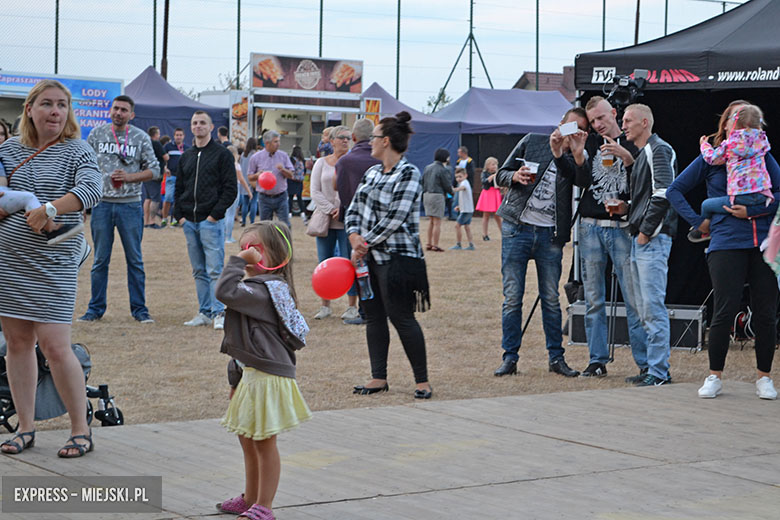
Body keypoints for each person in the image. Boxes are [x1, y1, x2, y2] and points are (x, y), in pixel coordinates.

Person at [0, 80, 102, 457]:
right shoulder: (9, 150)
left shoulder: (78, 150)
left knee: (56, 347)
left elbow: (92, 189)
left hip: (54, 263)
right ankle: (25, 428)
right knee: (17, 344)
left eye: (62, 105)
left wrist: (51, 209)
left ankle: (80, 429)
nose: (55, 112)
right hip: (9, 263)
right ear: (29, 109)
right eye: (46, 104)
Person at [668, 100, 780, 399]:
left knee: (766, 313)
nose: (740, 121)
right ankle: (714, 376)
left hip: (762, 243)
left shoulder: (761, 153)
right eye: (735, 116)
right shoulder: (713, 158)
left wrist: (754, 212)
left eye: (745, 117)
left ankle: (764, 378)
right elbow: (674, 190)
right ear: (727, 123)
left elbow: (779, 192)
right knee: (724, 310)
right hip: (726, 242)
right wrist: (700, 223)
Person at [214, 221, 311, 520]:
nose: (248, 254)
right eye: (244, 248)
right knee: (248, 439)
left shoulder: (267, 291)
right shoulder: (258, 290)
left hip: (268, 377)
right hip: (252, 376)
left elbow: (223, 291)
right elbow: (240, 342)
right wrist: (236, 379)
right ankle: (250, 498)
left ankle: (264, 507)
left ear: (276, 254)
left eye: (254, 249)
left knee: (264, 443)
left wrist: (237, 261)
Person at [492, 108, 585, 378]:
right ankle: (509, 358)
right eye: (570, 127)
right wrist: (513, 177)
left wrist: (576, 151)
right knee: (512, 298)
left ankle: (556, 358)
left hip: (550, 235)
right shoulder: (532, 141)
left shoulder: (576, 156)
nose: (573, 133)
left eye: (579, 129)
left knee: (551, 299)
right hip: (517, 228)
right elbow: (501, 173)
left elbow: (582, 181)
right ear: (560, 124)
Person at [346, 111, 432, 399]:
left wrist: (363, 241)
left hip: (399, 259)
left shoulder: (409, 173)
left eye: (373, 138)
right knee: (373, 317)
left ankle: (422, 381)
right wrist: (353, 235)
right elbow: (354, 209)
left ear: (385, 141)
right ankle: (378, 377)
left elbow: (396, 217)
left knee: (401, 317)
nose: (369, 142)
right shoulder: (371, 172)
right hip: (369, 259)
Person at [565, 96, 646, 380]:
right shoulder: (588, 141)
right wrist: (576, 153)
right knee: (594, 299)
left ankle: (645, 363)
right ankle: (596, 360)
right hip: (590, 226)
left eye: (602, 118)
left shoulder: (633, 139)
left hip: (621, 228)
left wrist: (628, 159)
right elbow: (583, 181)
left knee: (633, 297)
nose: (598, 125)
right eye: (593, 120)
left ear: (614, 113)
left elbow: (647, 183)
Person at [611, 103, 677, 387]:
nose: (623, 125)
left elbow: (664, 194)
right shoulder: (646, 153)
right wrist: (626, 210)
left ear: (645, 123)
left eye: (627, 120)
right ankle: (655, 368)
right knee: (643, 307)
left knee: (651, 307)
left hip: (652, 239)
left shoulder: (658, 150)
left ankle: (659, 372)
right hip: (645, 238)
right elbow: (651, 197)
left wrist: (646, 232)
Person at [79, 95, 160, 324]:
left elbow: (155, 171)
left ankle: (140, 310)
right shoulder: (97, 134)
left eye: (124, 110)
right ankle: (95, 309)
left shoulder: (140, 137)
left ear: (131, 115)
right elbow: (85, 166)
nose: (119, 113)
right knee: (100, 260)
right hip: (102, 204)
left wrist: (129, 177)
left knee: (134, 260)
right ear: (110, 110)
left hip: (130, 205)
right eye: (116, 108)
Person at [174, 111, 237, 330]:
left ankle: (219, 312)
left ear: (211, 127)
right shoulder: (187, 156)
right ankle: (204, 311)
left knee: (214, 269)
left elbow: (230, 189)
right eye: (194, 123)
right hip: (189, 221)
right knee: (198, 270)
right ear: (191, 127)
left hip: (210, 221)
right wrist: (179, 216)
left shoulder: (222, 155)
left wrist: (214, 215)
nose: (198, 126)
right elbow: (179, 186)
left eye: (202, 123)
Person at [689, 104, 772, 242]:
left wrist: (704, 145)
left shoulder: (730, 144)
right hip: (763, 195)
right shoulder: (762, 140)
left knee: (706, 205)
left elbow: (712, 158)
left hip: (741, 197)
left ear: (734, 124)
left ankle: (705, 230)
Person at [309, 126, 360, 321]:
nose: (346, 141)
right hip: (326, 221)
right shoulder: (322, 163)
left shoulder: (353, 163)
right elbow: (315, 191)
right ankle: (325, 305)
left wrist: (344, 209)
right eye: (342, 138)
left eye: (349, 138)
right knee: (324, 262)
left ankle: (352, 306)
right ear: (332, 141)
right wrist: (331, 209)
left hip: (347, 221)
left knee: (350, 263)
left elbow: (357, 189)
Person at [335, 118, 381, 326]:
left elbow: (344, 194)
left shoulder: (344, 162)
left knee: (359, 265)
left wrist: (348, 217)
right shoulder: (381, 160)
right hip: (380, 221)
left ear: (353, 137)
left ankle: (365, 310)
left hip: (355, 223)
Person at [247, 130, 294, 227]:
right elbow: (250, 177)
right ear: (267, 143)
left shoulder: (283, 156)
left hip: (281, 196)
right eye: (275, 141)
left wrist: (283, 170)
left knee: (285, 225)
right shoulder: (255, 158)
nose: (278, 144)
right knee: (265, 226)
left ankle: (286, 242)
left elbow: (291, 175)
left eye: (278, 141)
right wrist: (257, 175)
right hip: (264, 197)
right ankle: (268, 243)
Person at [421, 148, 453, 253]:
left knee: (431, 221)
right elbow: (447, 185)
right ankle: (435, 245)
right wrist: (453, 193)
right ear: (445, 157)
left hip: (426, 195)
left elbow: (422, 182)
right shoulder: (443, 169)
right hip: (437, 195)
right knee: (437, 222)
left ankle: (429, 243)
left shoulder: (427, 167)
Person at [225, 145, 253, 244]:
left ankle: (225, 235)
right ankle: (228, 236)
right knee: (231, 214)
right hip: (234, 188)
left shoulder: (223, 164)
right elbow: (241, 179)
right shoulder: (236, 165)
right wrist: (249, 191)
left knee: (225, 214)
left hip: (224, 189)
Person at [161, 127, 188, 228]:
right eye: (177, 135)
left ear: (184, 136)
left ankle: (175, 219)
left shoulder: (187, 148)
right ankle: (164, 219)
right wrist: (165, 168)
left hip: (182, 178)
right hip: (171, 176)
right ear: (174, 136)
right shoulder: (168, 146)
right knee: (168, 197)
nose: (179, 137)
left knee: (179, 199)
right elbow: (161, 158)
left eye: (180, 135)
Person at [142, 126, 167, 229]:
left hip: (145, 173)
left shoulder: (145, 143)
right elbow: (166, 157)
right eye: (158, 133)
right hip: (155, 175)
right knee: (155, 199)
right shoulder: (156, 143)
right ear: (155, 134)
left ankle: (146, 221)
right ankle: (152, 222)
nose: (159, 135)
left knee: (147, 198)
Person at [476, 156, 502, 241]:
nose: (494, 166)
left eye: (496, 164)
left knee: (497, 215)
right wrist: (491, 177)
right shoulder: (484, 173)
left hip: (495, 193)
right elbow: (484, 182)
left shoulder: (498, 173)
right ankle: (485, 234)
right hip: (487, 194)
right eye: (492, 164)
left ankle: (503, 233)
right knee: (486, 215)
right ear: (487, 166)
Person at [449, 167, 475, 250]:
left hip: (466, 211)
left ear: (465, 176)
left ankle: (458, 244)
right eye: (456, 177)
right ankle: (471, 245)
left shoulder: (464, 183)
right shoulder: (464, 183)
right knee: (467, 227)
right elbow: (465, 198)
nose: (458, 179)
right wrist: (460, 207)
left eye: (460, 176)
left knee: (457, 226)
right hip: (467, 209)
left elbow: (462, 188)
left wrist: (454, 189)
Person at [240, 137, 258, 226]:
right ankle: (252, 221)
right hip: (253, 181)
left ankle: (243, 221)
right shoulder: (255, 155)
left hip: (244, 181)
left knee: (245, 203)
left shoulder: (243, 154)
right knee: (254, 201)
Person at [288, 145, 306, 220]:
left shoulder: (291, 159)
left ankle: (289, 213)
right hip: (299, 181)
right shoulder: (303, 160)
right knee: (299, 197)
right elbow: (304, 171)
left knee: (290, 198)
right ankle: (302, 213)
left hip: (291, 180)